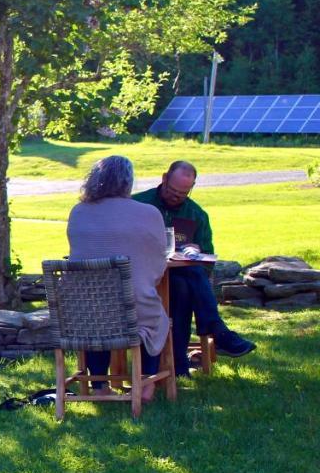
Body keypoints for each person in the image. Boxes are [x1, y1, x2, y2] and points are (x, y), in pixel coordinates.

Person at [132, 160, 256, 374]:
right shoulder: (140, 204)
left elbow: (208, 259)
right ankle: (215, 331)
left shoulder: (196, 214)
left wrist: (196, 248)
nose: (175, 197)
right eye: (172, 191)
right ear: (164, 179)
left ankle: (179, 363)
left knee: (184, 285)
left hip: (177, 277)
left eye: (182, 194)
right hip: (145, 278)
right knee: (188, 281)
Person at [66, 156, 168, 400]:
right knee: (156, 317)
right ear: (128, 182)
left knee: (96, 312)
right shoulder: (148, 213)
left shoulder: (78, 212)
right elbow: (158, 263)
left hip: (83, 310)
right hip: (131, 309)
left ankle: (99, 386)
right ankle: (145, 382)